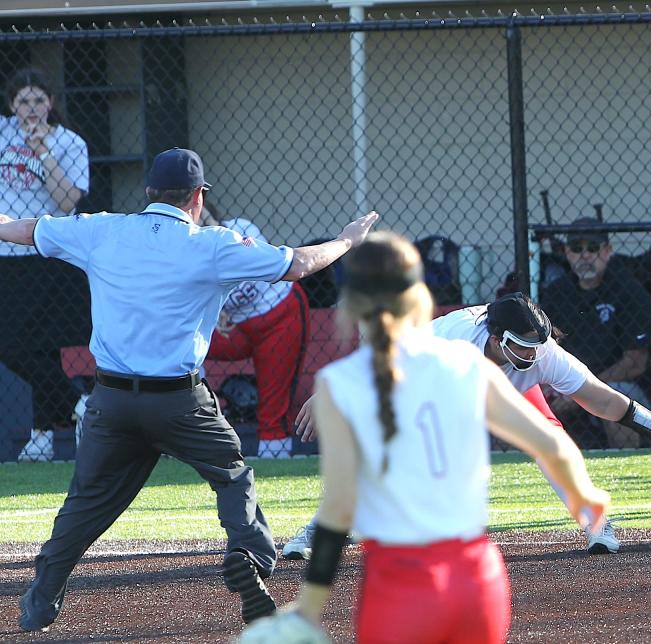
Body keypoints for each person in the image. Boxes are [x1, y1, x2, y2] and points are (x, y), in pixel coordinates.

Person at [2, 147, 378, 632]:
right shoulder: (212, 243)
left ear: (150, 193)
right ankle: (250, 556)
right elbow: (300, 264)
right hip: (180, 401)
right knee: (232, 474)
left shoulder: (101, 229)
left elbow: (21, 228)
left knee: (86, 503)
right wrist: (346, 241)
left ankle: (42, 597)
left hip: (111, 401)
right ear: (198, 197)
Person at [235, 232, 610, 644]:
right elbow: (551, 443)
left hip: (400, 584)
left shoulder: (339, 384)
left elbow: (339, 508)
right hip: (477, 579)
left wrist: (309, 606)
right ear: (418, 298)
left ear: (351, 307)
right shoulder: (469, 364)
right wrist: (583, 494)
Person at [290, 291, 651, 557]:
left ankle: (595, 519)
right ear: (497, 339)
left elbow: (602, 399)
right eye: (521, 348)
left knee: (552, 440)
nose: (532, 358)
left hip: (499, 392)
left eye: (538, 347)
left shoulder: (540, 354)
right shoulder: (452, 343)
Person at [0, 68, 90, 461]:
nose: (31, 108)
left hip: (46, 249)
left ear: (50, 104)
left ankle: (45, 432)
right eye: (23, 101)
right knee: (16, 345)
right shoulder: (2, 134)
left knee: (42, 344)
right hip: (6, 253)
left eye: (39, 100)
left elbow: (67, 201)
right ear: (11, 105)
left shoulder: (69, 143)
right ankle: (76, 405)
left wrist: (44, 152)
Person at [200, 201, 310, 459]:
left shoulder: (241, 230)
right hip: (237, 330)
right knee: (179, 342)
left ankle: (275, 462)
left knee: (273, 411)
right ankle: (193, 409)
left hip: (278, 317)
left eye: (203, 221)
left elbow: (248, 269)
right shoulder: (191, 256)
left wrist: (218, 308)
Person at [540, 217, 651, 449]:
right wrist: (553, 390)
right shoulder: (556, 294)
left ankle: (626, 463)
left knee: (615, 397)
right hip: (565, 387)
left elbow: (635, 364)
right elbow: (542, 352)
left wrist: (581, 391)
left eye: (592, 248)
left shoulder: (629, 291)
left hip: (618, 385)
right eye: (576, 249)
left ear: (607, 251)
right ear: (567, 253)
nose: (585, 255)